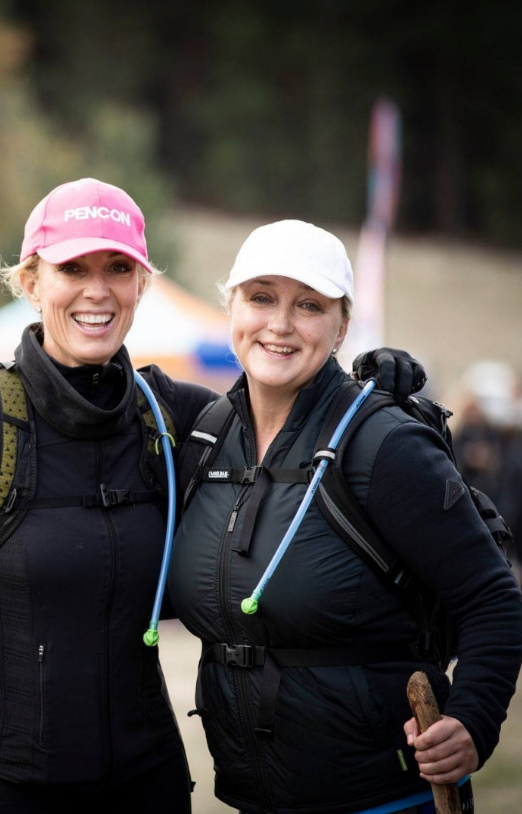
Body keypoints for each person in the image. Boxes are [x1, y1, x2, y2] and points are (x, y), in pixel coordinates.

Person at [0, 181, 423, 813]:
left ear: (141, 283)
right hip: (3, 779)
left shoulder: (178, 418)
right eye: (71, 267)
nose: (97, 289)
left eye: (117, 267)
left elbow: (295, 426)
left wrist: (363, 387)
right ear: (30, 282)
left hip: (146, 776)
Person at [167, 219, 522, 814]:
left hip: (385, 800)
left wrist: (474, 722)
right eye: (260, 298)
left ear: (342, 326)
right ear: (230, 308)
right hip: (251, 798)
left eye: (308, 305)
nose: (279, 324)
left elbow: (492, 597)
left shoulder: (386, 444)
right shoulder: (206, 437)